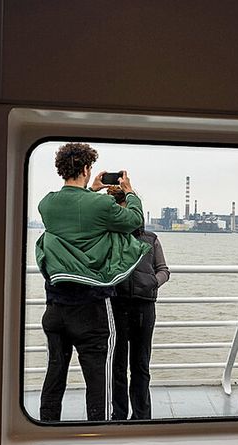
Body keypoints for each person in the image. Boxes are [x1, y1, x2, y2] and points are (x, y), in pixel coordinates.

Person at [36, 143, 150, 421]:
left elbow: (74, 212)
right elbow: (133, 221)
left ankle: (46, 431)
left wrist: (92, 188)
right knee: (99, 382)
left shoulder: (47, 204)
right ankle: (100, 438)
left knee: (54, 376)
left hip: (55, 310)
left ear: (61, 169)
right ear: (87, 169)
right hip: (91, 311)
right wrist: (130, 192)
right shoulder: (101, 205)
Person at [106, 187, 170, 420]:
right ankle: (119, 415)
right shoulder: (109, 237)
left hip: (144, 308)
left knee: (141, 366)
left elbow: (164, 270)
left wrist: (153, 282)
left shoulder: (150, 239)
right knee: (118, 366)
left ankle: (142, 416)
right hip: (116, 306)